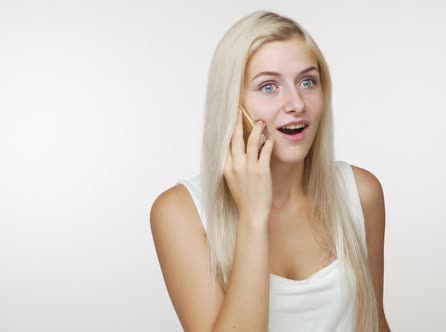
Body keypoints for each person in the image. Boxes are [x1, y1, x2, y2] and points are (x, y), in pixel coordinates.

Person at [150, 10, 390, 332]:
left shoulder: (361, 193)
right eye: (268, 86)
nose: (296, 103)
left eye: (308, 82)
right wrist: (252, 216)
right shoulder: (180, 213)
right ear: (233, 105)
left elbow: (374, 323)